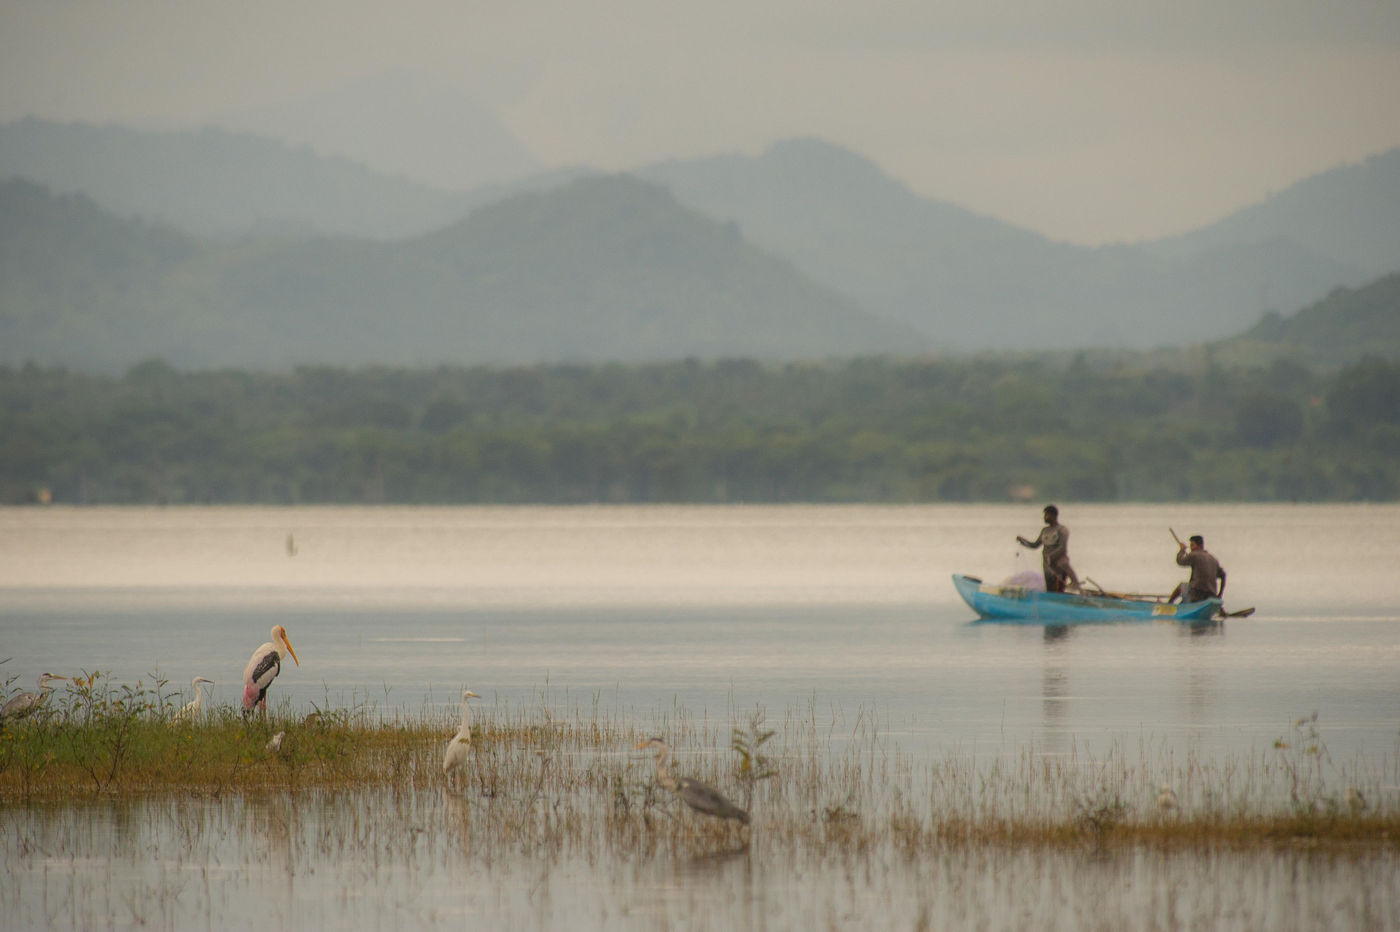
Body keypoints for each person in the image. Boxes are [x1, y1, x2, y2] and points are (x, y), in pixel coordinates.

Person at [1016, 504, 1080, 593]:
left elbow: (1062, 548)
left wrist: (1051, 557)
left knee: (1058, 590)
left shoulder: (1062, 530)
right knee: (1050, 590)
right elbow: (1035, 545)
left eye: (1047, 515)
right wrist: (1023, 541)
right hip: (1047, 566)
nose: (1044, 518)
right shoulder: (1045, 530)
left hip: (1058, 566)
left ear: (1053, 516)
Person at [1168, 534, 1226, 603]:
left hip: (1197, 592)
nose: (1191, 548)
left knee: (1182, 586)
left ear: (1200, 545)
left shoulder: (1194, 554)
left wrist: (1182, 550)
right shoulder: (1213, 559)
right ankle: (1183, 604)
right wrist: (1219, 595)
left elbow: (1180, 561)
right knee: (1185, 597)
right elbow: (1223, 575)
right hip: (1211, 594)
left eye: (1192, 545)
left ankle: (1169, 604)